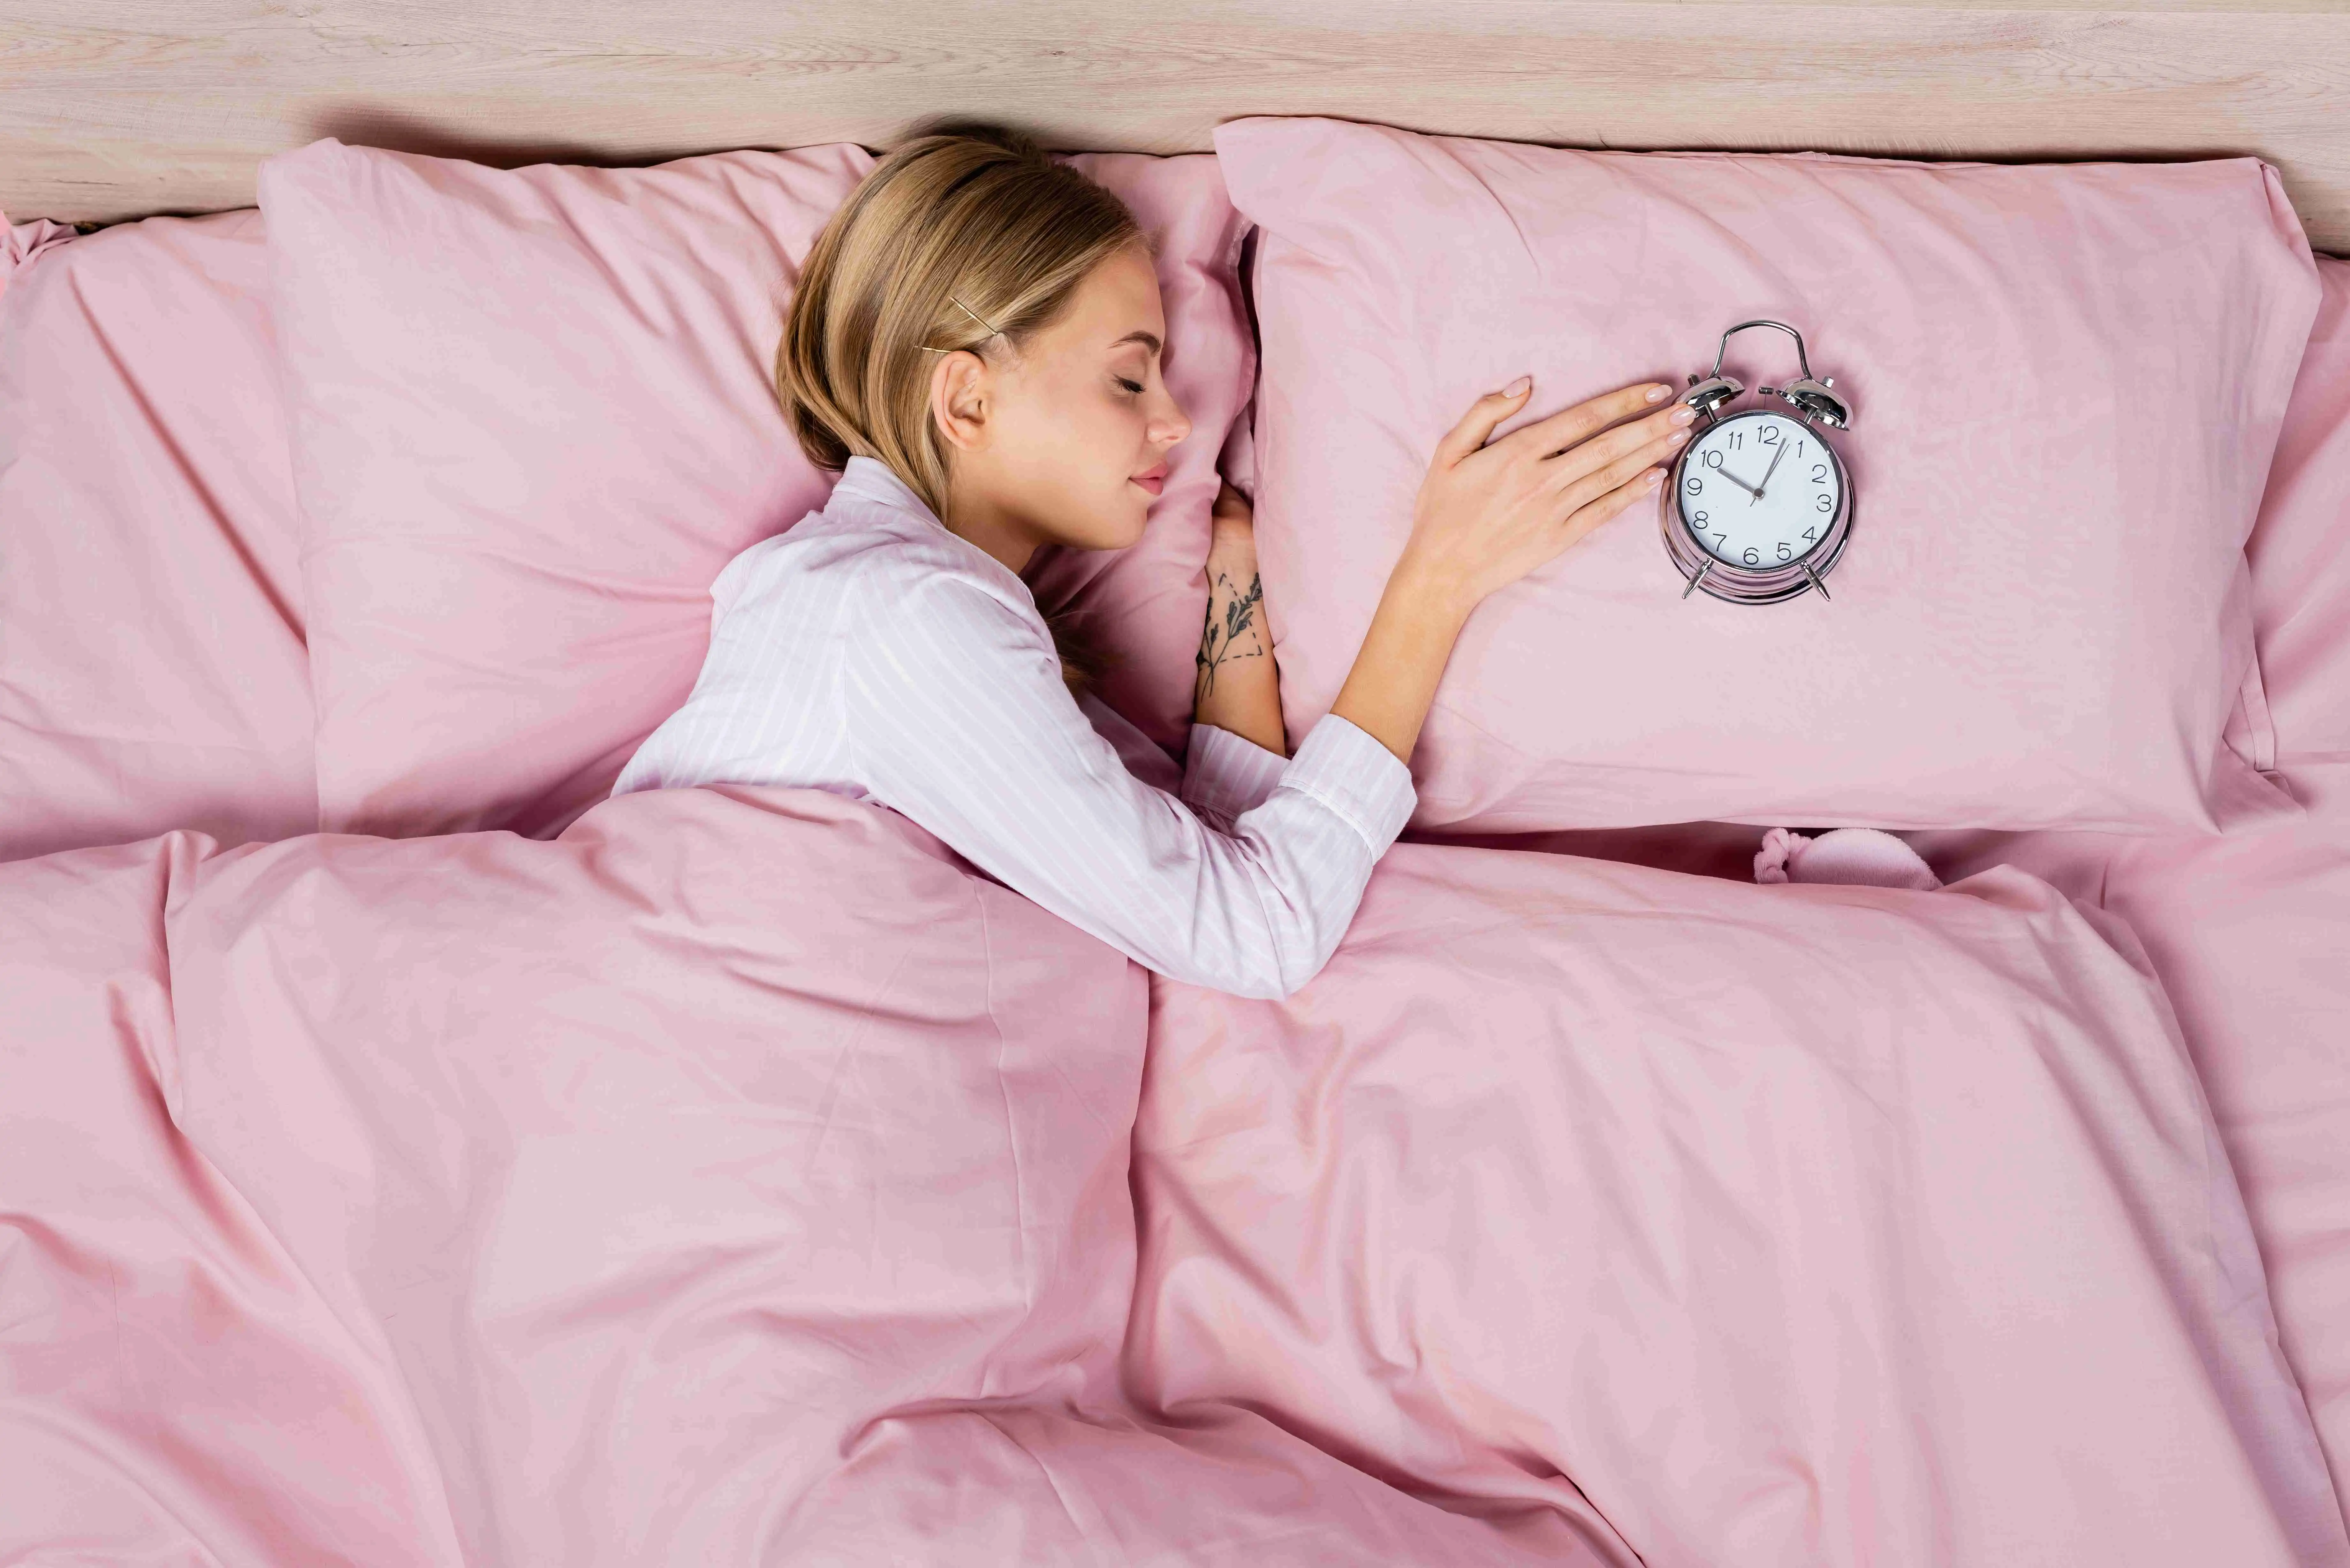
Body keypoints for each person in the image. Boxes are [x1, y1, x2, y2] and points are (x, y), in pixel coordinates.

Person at [612, 126, 1692, 998]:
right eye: (1130, 381)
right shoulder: (905, 622)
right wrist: (1440, 581)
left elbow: (1197, 856)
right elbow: (1253, 936)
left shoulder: (900, 605)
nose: (1175, 424)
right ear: (967, 399)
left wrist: (1237, 584)